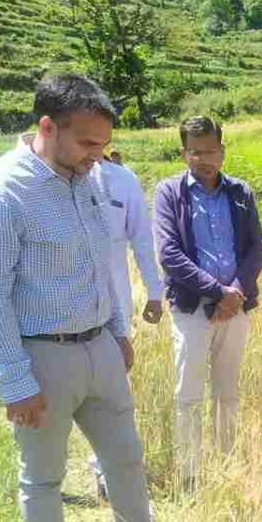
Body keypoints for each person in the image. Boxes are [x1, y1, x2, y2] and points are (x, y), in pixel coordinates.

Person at [0, 73, 178, 522]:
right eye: (86, 144)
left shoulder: (86, 180)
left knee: (126, 458)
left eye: (102, 146)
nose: (95, 157)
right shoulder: (1, 192)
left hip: (99, 347)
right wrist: (15, 382)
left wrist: (116, 329)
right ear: (46, 127)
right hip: (41, 359)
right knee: (43, 479)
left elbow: (97, 259)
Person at [154, 115, 262, 492]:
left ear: (223, 150)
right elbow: (169, 254)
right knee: (189, 393)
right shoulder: (169, 193)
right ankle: (189, 475)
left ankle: (226, 466)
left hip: (235, 310)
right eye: (196, 152)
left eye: (211, 151)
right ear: (184, 152)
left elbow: (256, 251)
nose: (204, 159)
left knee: (227, 392)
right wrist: (220, 293)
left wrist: (235, 292)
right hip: (191, 309)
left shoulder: (240, 192)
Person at [87, 152, 163, 499]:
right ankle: (48, 477)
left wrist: (154, 290)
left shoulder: (123, 179)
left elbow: (143, 241)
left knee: (113, 390)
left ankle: (107, 472)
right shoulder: (49, 176)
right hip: (61, 310)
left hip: (115, 307)